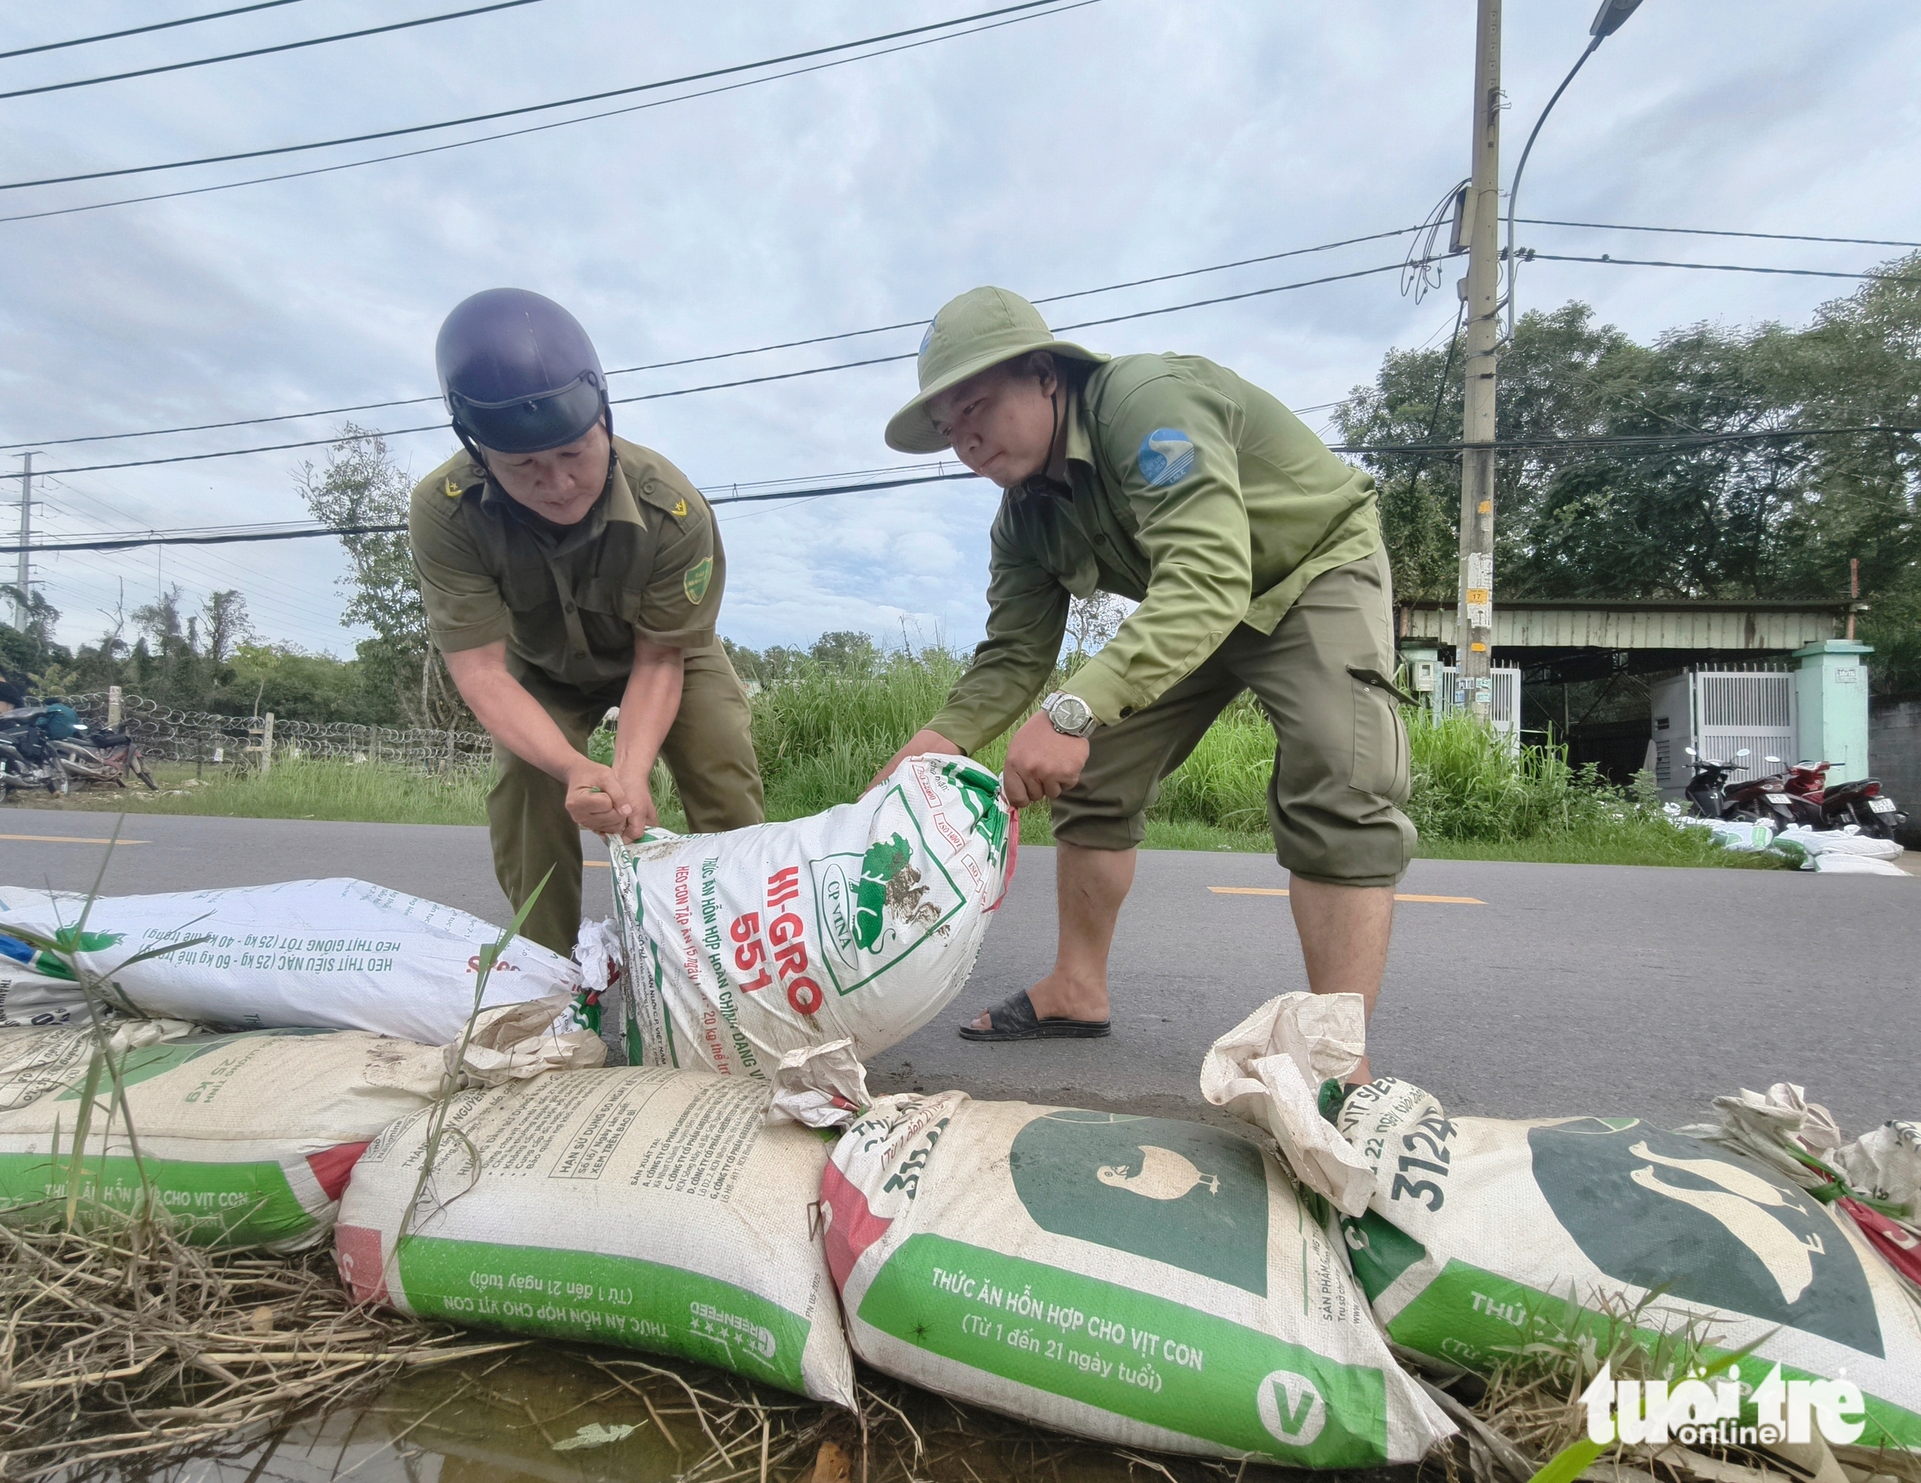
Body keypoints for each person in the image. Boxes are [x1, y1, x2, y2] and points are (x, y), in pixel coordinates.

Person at [872, 287, 1414, 1091]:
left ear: (1046, 374)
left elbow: (1211, 569)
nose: (966, 443)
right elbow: (1013, 655)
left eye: (977, 407)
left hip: (1309, 568)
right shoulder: (1023, 517)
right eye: (950, 429)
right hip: (1194, 603)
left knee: (1340, 776)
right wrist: (935, 744)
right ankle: (1076, 990)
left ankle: (1338, 1063)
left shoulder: (1142, 402)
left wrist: (1071, 709)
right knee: (1091, 773)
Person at [409, 288, 764, 956]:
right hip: (538, 670)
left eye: (574, 454)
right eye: (524, 467)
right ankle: (543, 967)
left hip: (662, 658)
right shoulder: (443, 511)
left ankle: (740, 950)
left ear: (602, 416)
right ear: (478, 451)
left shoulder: (674, 510)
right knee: (525, 781)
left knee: (721, 759)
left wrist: (628, 777)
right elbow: (482, 671)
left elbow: (661, 660)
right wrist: (576, 768)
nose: (559, 483)